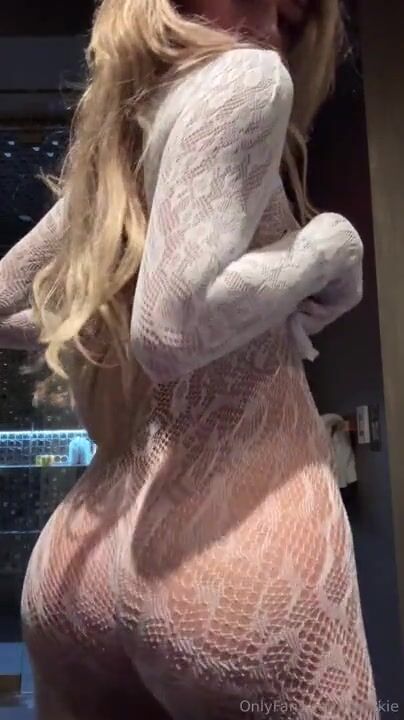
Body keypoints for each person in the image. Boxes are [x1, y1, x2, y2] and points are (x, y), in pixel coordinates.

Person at [0, 0, 377, 717]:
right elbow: (172, 331)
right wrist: (327, 246)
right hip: (236, 534)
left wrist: (89, 325)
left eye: (296, 17)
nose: (279, 23)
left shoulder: (125, 134)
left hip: (84, 548)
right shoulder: (249, 78)